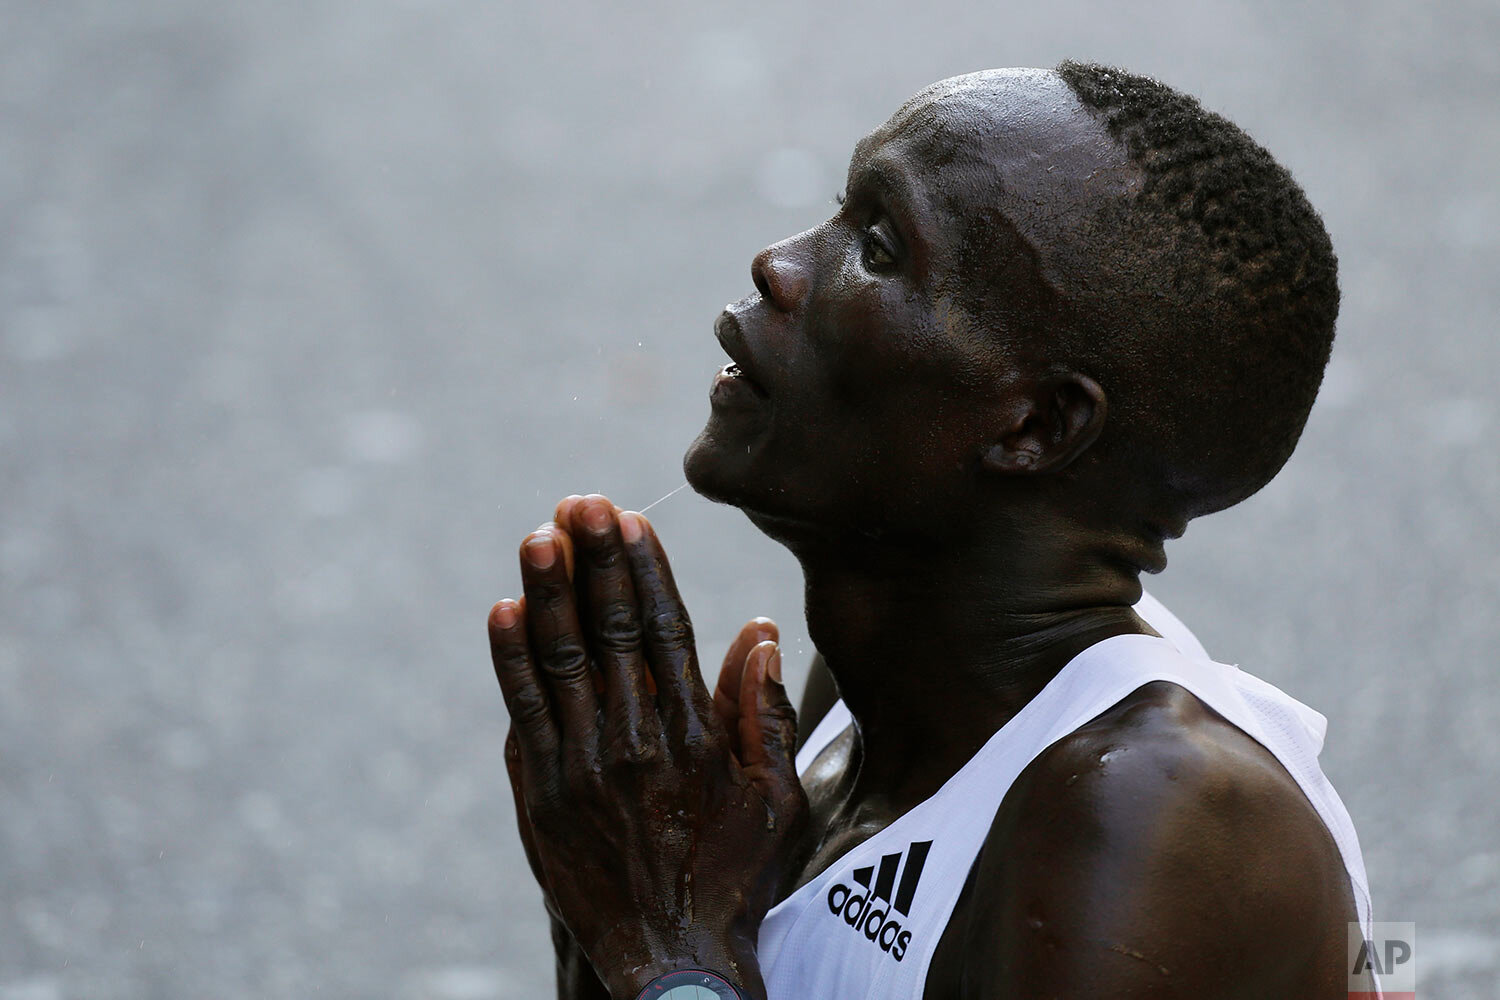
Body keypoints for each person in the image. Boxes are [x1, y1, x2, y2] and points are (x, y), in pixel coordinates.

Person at [488, 62, 1379, 999]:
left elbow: (676, 962)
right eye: (838, 210)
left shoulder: (1156, 815)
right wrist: (609, 886)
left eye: (877, 247)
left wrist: (665, 949)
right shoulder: (871, 692)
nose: (778, 264)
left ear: (1034, 429)